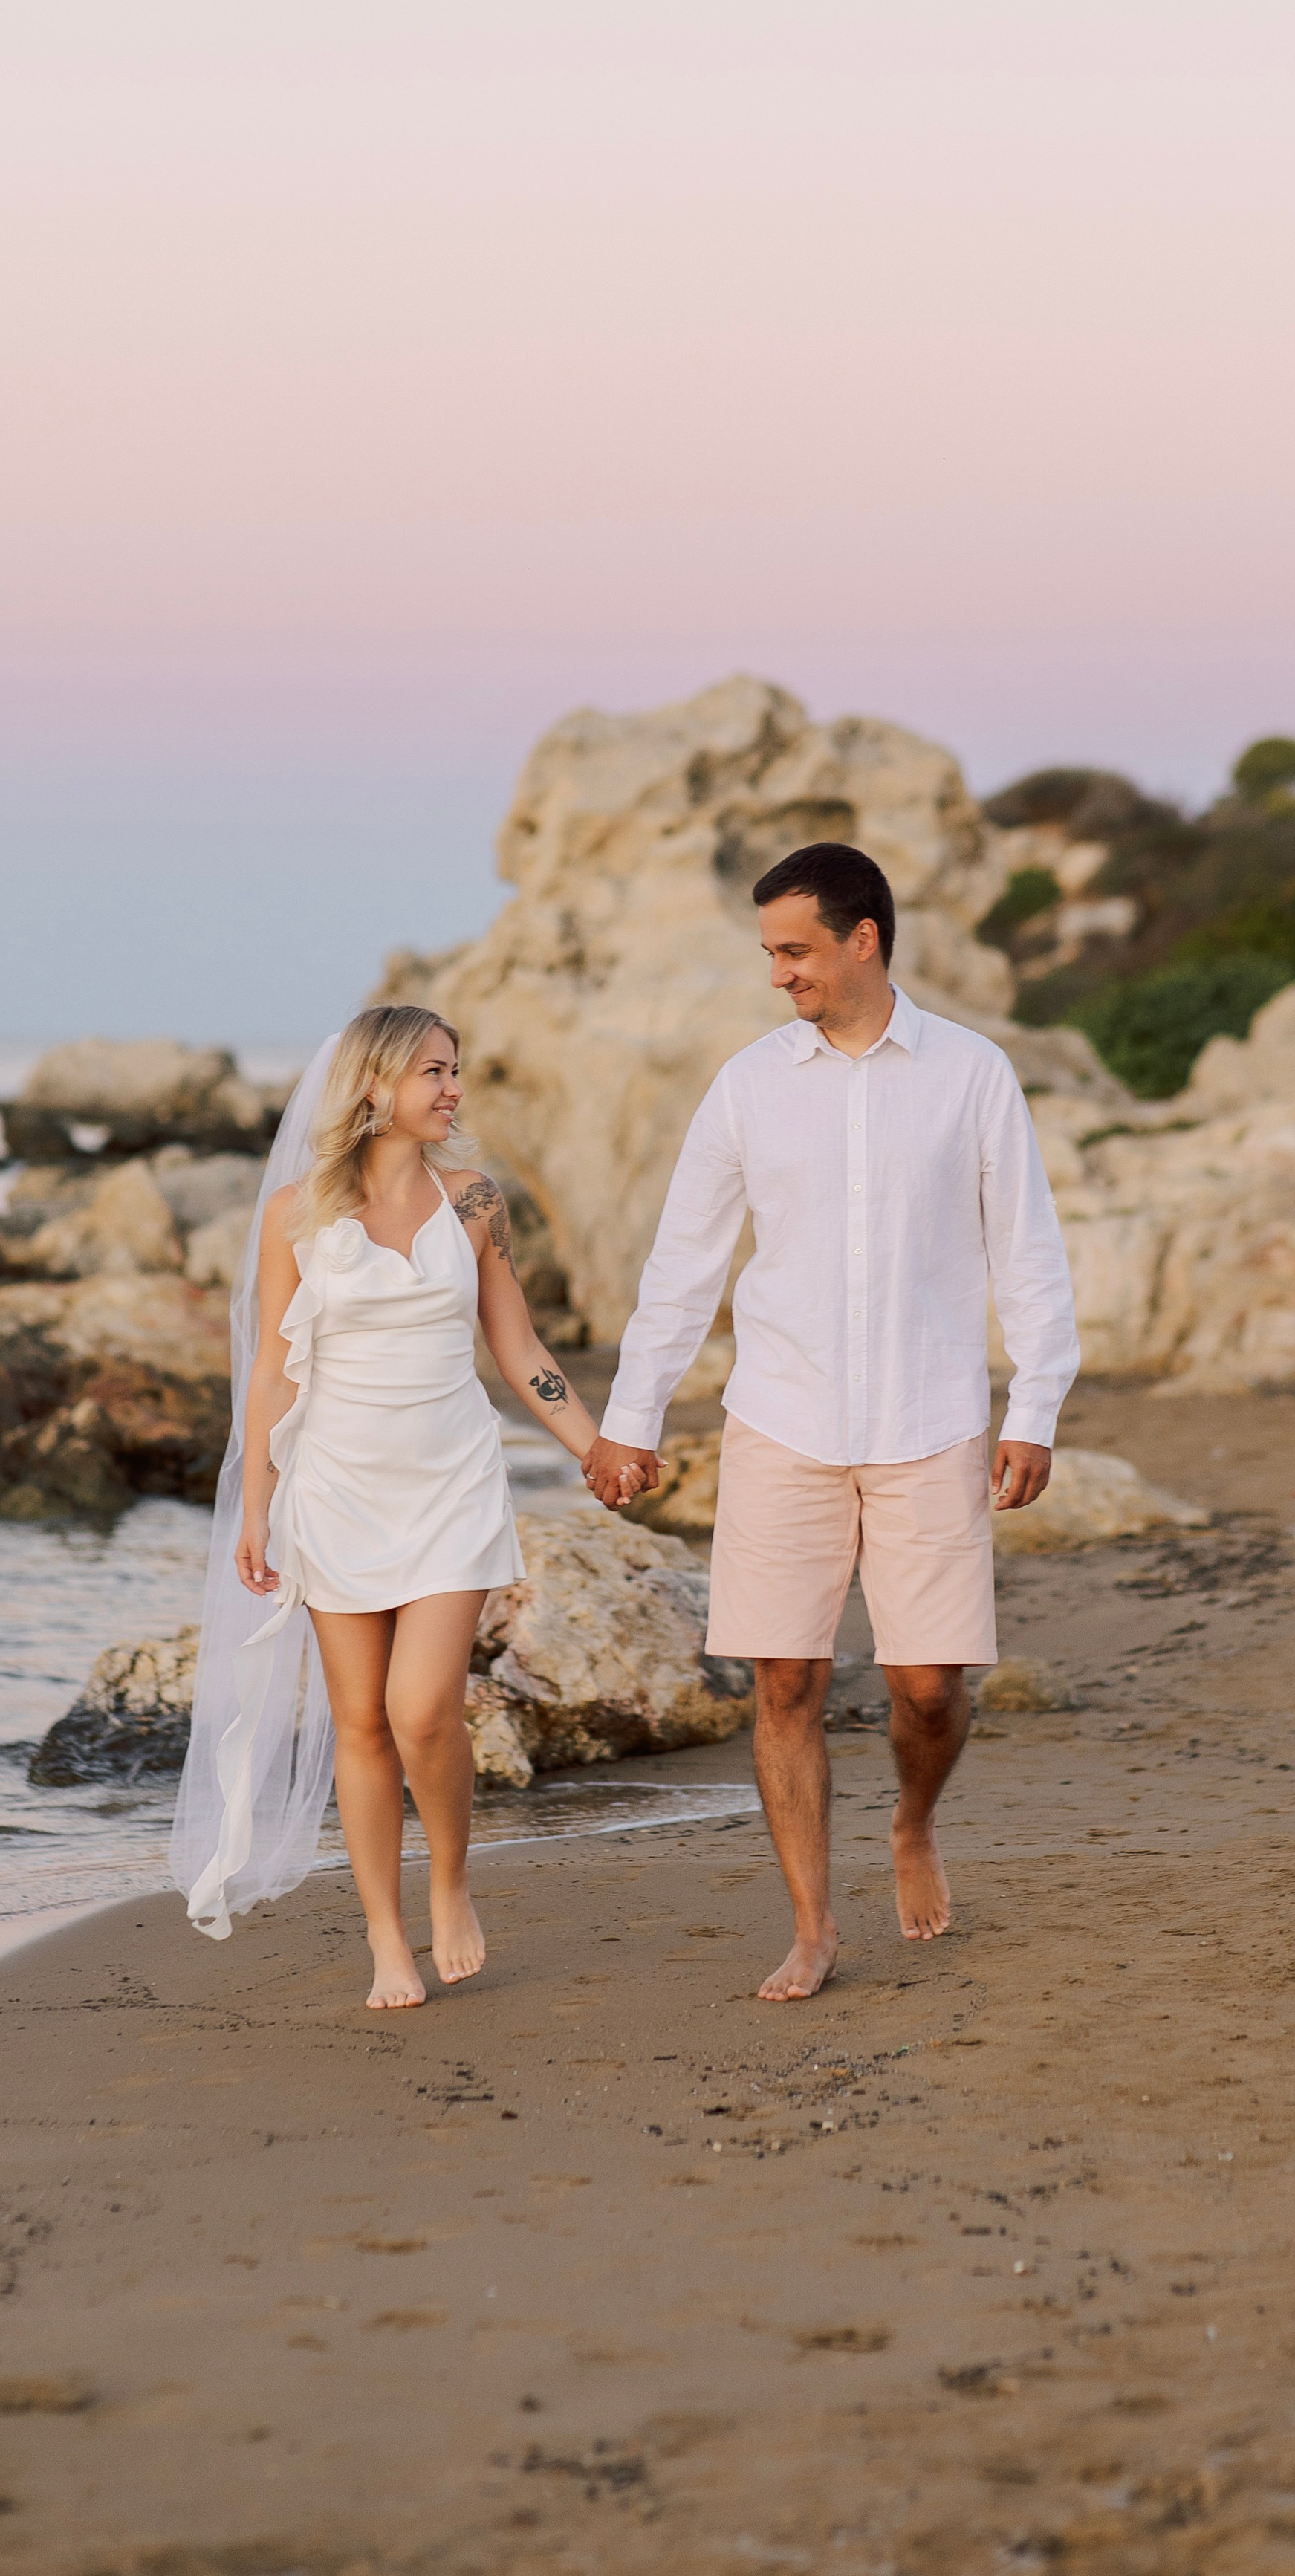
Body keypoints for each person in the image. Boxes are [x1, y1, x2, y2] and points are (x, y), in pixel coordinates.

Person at [583, 843, 1079, 2002]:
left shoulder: (971, 1074)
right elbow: (683, 1266)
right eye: (769, 953)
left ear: (865, 939)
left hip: (933, 1417)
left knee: (927, 1688)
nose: (778, 975)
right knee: (786, 1684)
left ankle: (913, 1820)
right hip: (783, 1420)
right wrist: (629, 1421)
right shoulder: (749, 1085)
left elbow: (1030, 1255)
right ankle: (812, 1927)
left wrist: (1037, 1406)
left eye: (795, 950)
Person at [170, 1005, 633, 2009]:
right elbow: (272, 1374)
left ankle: (452, 1884)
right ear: (376, 1086)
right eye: (434, 1071)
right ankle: (385, 1936)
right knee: (360, 1724)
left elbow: (517, 1347)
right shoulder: (297, 1213)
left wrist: (595, 1445)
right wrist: (256, 1506)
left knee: (422, 1711)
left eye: (454, 1070)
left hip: (451, 1482)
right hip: (336, 1488)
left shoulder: (474, 1203)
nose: (452, 1089)